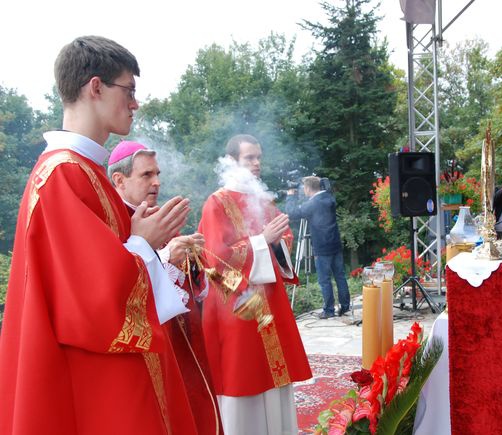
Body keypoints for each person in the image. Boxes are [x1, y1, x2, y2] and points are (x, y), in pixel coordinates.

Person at [0, 36, 218, 434]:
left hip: (115, 367)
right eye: (129, 89)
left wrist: (154, 250)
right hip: (96, 378)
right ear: (95, 87)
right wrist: (143, 244)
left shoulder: (85, 169)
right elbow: (88, 299)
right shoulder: (62, 174)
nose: (135, 103)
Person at [198, 134, 312, 434]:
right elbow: (215, 260)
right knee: (244, 376)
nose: (257, 163)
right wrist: (263, 240)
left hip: (270, 303)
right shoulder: (216, 202)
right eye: (250, 158)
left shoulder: (262, 199)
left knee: (275, 381)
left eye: (259, 157)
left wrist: (274, 242)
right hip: (239, 308)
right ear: (232, 161)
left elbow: (283, 240)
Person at [108, 140, 220, 434]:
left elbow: (194, 289)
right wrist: (168, 257)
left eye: (158, 174)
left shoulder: (159, 217)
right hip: (146, 347)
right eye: (146, 175)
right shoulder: (111, 220)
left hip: (182, 341)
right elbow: (116, 285)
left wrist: (193, 260)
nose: (156, 182)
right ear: (119, 180)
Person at [286, 176, 350, 319]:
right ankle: (345, 307)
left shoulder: (313, 204)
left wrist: (291, 195)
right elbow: (326, 188)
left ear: (308, 188)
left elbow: (292, 213)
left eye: (304, 188)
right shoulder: (329, 198)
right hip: (335, 245)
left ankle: (328, 310)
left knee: (324, 280)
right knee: (340, 276)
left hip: (322, 247)